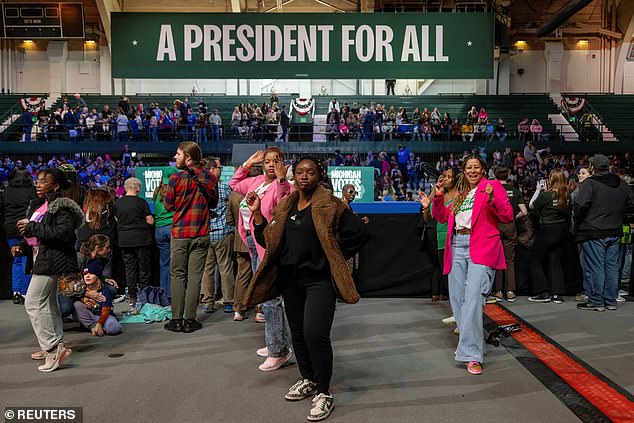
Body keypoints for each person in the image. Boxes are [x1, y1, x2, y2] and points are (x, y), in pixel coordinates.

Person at [245, 157, 370, 422]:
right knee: (299, 334)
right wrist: (257, 214)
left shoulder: (332, 205)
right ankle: (308, 380)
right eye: (299, 172)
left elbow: (360, 234)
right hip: (291, 281)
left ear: (318, 176)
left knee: (316, 334)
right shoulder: (284, 207)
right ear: (294, 176)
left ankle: (324, 392)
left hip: (319, 281)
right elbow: (266, 240)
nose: (304, 176)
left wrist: (333, 256)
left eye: (310, 172)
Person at [425, 154, 513, 375]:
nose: (472, 170)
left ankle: (472, 354)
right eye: (468, 168)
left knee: (473, 298)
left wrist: (492, 199)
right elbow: (442, 217)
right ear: (464, 172)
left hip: (481, 245)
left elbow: (507, 215)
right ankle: (473, 344)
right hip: (456, 245)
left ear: (483, 169)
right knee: (458, 300)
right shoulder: (461, 194)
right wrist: (437, 196)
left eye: (476, 167)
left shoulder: (491, 187)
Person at [12, 168, 84, 372]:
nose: (38, 183)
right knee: (49, 303)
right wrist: (23, 244)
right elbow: (40, 235)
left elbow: (64, 234)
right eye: (38, 180)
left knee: (33, 302)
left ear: (56, 186)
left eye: (44, 181)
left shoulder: (62, 207)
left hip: (53, 259)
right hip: (42, 256)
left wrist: (31, 227)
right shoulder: (42, 205)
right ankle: (56, 344)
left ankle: (52, 349)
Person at [230, 147, 294, 371]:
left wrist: (282, 178)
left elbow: (285, 203)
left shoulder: (284, 185)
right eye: (267, 161)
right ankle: (276, 342)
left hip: (269, 246)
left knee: (270, 298)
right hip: (252, 242)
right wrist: (249, 162)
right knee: (266, 297)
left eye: (275, 161)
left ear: (283, 163)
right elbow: (234, 184)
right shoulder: (256, 180)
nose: (270, 165)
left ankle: (278, 350)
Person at [164, 142, 219, 333]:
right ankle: (190, 320)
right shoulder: (210, 177)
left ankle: (176, 319)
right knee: (195, 278)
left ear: (188, 157)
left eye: (178, 154)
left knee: (178, 276)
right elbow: (213, 204)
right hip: (202, 234)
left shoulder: (176, 178)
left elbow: (168, 206)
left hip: (180, 234)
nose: (175, 157)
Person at [574, 154, 634, 311]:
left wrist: (583, 220)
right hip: (614, 230)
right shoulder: (621, 183)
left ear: (593, 167)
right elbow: (631, 205)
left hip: (593, 231)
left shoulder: (590, 183)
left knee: (596, 266)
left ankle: (596, 301)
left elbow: (580, 206)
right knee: (612, 266)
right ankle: (611, 300)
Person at [527, 169, 570, 303]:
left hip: (548, 230)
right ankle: (557, 294)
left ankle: (543, 292)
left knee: (534, 261)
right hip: (561, 230)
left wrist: (538, 190)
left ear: (551, 179)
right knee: (555, 261)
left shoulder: (547, 195)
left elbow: (532, 205)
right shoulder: (566, 194)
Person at [200, 158, 235, 314]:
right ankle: (228, 301)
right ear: (213, 169)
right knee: (225, 268)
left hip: (206, 234)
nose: (221, 170)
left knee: (207, 270)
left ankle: (208, 302)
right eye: (220, 167)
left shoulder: (199, 189)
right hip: (223, 234)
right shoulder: (224, 188)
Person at [0, 167, 37, 304]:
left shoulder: (6, 192)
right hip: (27, 228)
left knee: (16, 259)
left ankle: (16, 292)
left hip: (10, 228)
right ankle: (25, 292)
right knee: (27, 260)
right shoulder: (33, 192)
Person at [115, 178, 154, 308]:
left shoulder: (118, 203)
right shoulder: (141, 202)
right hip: (142, 239)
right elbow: (150, 221)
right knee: (144, 269)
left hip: (125, 240)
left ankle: (132, 296)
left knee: (129, 268)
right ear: (138, 188)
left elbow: (116, 220)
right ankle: (145, 296)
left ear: (126, 188)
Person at [490, 165, 527, 302]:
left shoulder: (492, 190)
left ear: (494, 175)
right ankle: (510, 292)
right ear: (508, 175)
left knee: (497, 260)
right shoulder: (515, 191)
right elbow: (524, 212)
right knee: (509, 260)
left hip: (495, 225)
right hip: (510, 226)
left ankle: (498, 292)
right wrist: (512, 217)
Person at [422, 169, 459, 302]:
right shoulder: (440, 196)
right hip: (442, 239)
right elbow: (429, 218)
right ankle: (456, 310)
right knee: (446, 275)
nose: (445, 179)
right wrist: (426, 207)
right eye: (445, 177)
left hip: (457, 240)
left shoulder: (461, 196)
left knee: (458, 277)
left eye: (449, 177)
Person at [73, 260, 122, 336]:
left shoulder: (104, 292)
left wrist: (99, 323)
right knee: (77, 305)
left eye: (91, 274)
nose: (87, 276)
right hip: (90, 317)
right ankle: (92, 327)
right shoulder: (82, 292)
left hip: (103, 317)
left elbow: (106, 309)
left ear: (98, 277)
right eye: (85, 274)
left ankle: (99, 327)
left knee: (114, 328)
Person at [153, 176, 175, 299]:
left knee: (164, 263)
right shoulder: (174, 192)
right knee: (175, 263)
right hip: (171, 228)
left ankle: (163, 295)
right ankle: (172, 294)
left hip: (159, 230)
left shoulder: (157, 191)